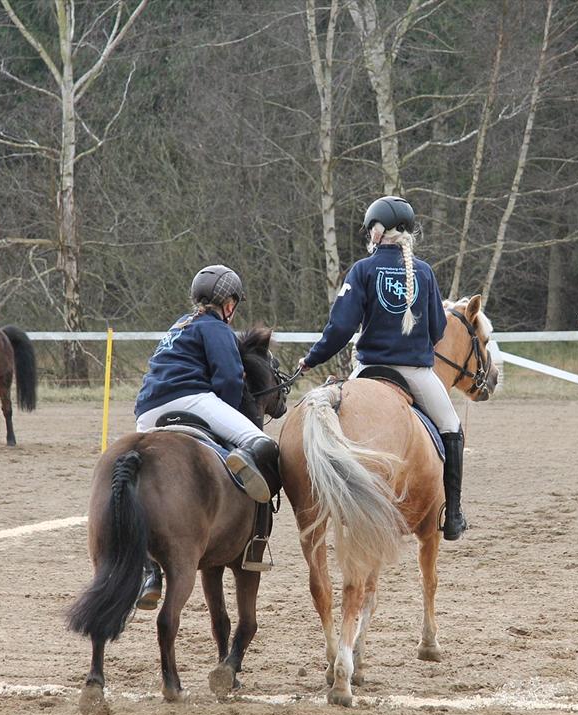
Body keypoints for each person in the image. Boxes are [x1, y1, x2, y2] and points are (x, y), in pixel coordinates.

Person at [296, 195, 468, 542]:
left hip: (370, 370)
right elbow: (437, 329)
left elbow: (341, 328)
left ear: (377, 231)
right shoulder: (424, 272)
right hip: (417, 373)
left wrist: (311, 359)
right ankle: (452, 515)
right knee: (451, 428)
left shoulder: (363, 269)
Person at [132, 264, 280, 607]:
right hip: (192, 400)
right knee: (263, 444)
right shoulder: (216, 328)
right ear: (228, 303)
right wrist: (230, 420)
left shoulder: (178, 324)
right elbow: (229, 379)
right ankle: (254, 527)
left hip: (147, 412)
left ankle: (148, 569)